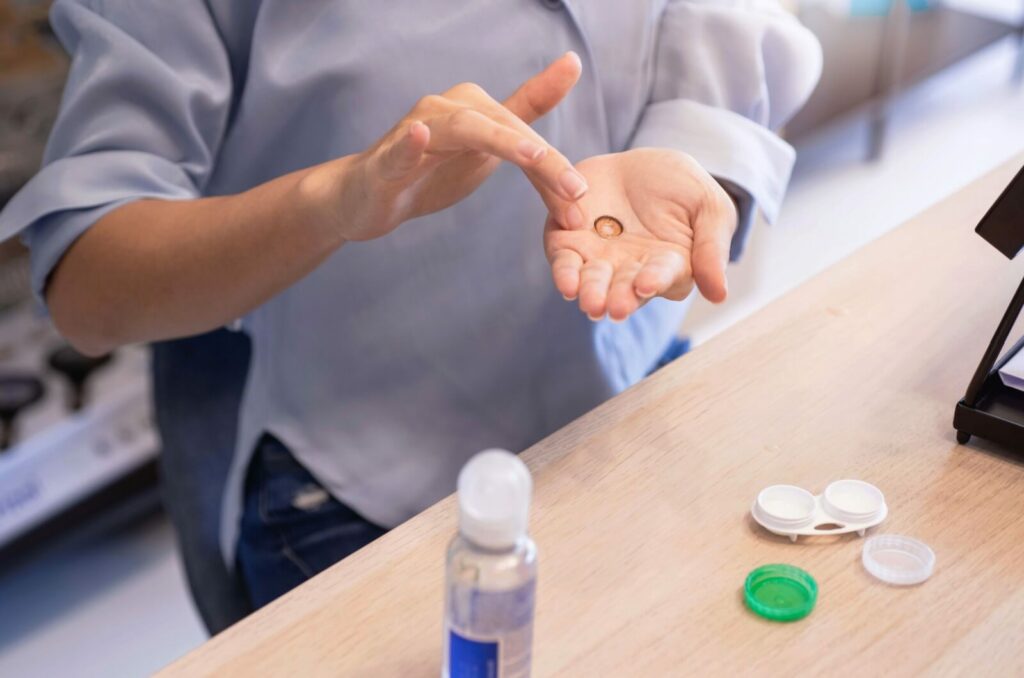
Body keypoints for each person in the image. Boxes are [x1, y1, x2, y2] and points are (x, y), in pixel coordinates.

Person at [0, 1, 821, 611]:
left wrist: (692, 161)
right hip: (368, 498)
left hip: (622, 409)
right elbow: (87, 285)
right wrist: (334, 200)